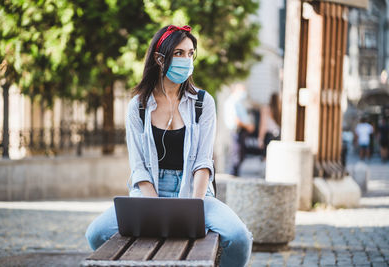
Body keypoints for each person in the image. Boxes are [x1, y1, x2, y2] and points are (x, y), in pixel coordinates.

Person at [85, 25, 252, 267]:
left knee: (239, 238)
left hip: (196, 191)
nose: (187, 59)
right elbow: (139, 167)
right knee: (96, 233)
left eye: (190, 53)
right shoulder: (138, 106)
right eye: (179, 53)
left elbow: (204, 162)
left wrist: (193, 209)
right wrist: (156, 210)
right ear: (159, 58)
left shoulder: (203, 103)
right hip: (149, 191)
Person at [223, 83, 255, 176]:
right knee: (236, 153)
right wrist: (248, 126)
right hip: (237, 131)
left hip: (241, 131)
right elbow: (236, 120)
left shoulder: (238, 102)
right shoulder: (233, 102)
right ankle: (234, 173)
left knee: (240, 153)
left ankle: (236, 173)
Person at [258, 92, 281, 158]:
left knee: (267, 157)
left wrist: (260, 139)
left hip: (269, 136)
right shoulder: (279, 109)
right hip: (278, 135)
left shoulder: (266, 109)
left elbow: (263, 125)